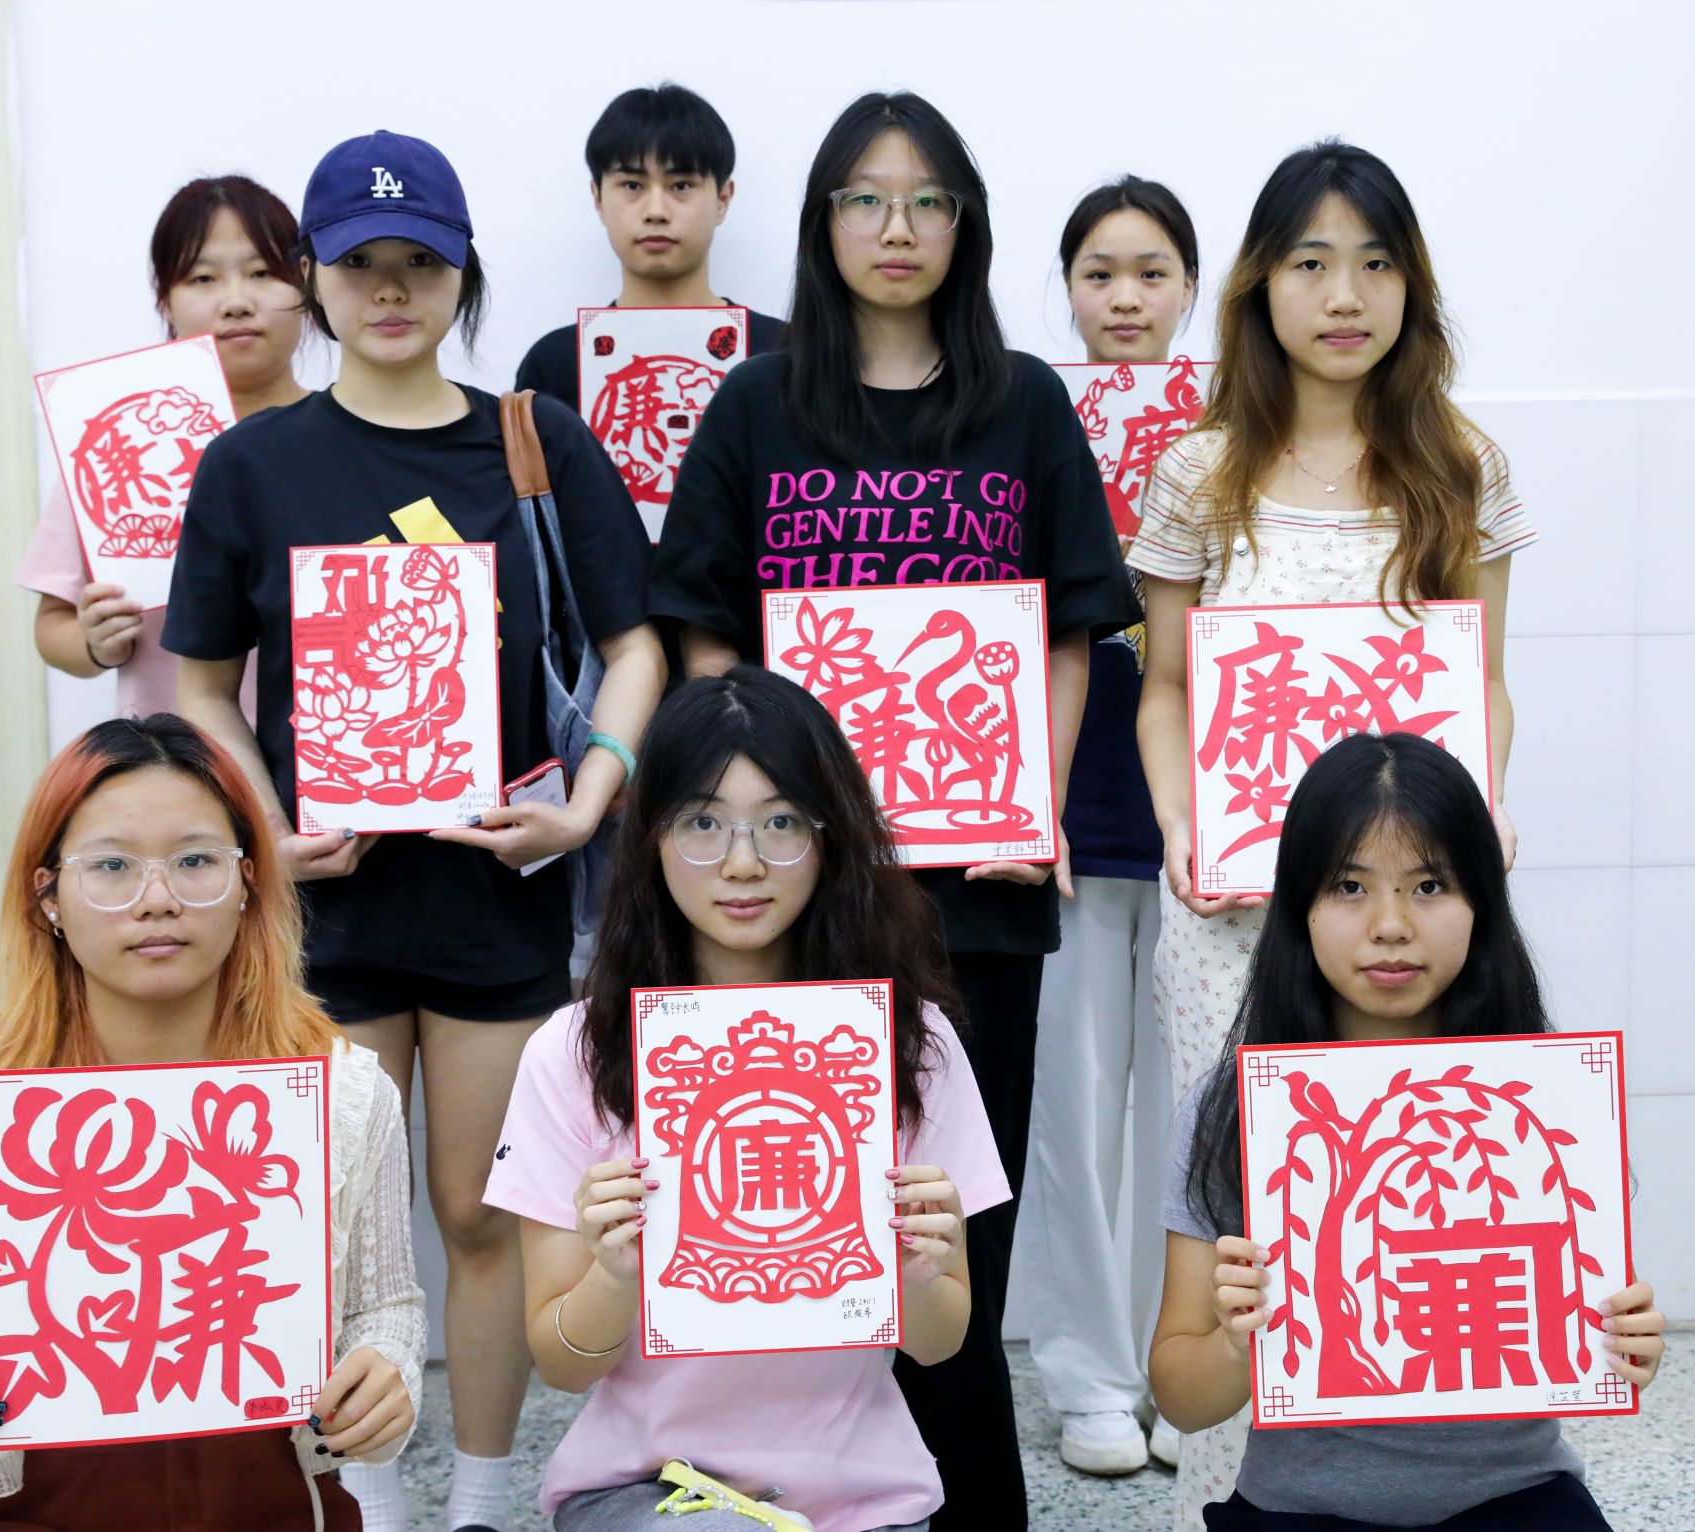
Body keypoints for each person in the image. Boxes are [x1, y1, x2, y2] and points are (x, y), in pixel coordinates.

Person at [165, 130, 665, 1532]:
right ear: (315, 280)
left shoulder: (533, 439)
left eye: (421, 264)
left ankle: (486, 1494)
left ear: (461, 275)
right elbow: (202, 687)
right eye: (360, 265)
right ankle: (371, 1492)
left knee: (478, 1211)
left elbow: (634, 645)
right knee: (337, 1219)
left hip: (495, 893)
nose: (390, 290)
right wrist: (264, 831)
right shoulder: (253, 463)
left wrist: (588, 801)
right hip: (322, 902)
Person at [650, 91, 1136, 1529]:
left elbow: (1065, 632)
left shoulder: (1023, 403)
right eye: (864, 198)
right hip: (789, 892)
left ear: (964, 224)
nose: (897, 227)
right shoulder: (757, 405)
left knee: (951, 1242)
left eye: (927, 199)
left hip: (977, 892)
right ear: (822, 224)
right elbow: (705, 636)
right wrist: (753, 822)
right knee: (800, 1226)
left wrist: (1034, 803)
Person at [1129, 140, 1537, 1527]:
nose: (1344, 294)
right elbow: (1165, 686)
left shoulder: (1459, 464)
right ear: (1261, 285)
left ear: (1411, 286)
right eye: (1310, 261)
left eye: (1374, 263)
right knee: (1246, 1207)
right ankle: (1242, 1483)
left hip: (1407, 901)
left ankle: (1420, 1457)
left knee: (1409, 1168)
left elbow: (1483, 677)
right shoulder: (1197, 472)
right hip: (1236, 909)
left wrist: (1487, 804)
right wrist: (1181, 820)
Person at [0, 714, 424, 1532]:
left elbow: (387, 1308)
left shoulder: (345, 1094)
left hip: (271, 1508)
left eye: (195, 861)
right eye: (111, 866)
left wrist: (389, 1373)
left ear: (247, 881)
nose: (157, 900)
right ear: (47, 896)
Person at [483, 667, 1008, 1532]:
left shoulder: (909, 1041)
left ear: (831, 835)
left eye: (781, 822)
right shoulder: (573, 1052)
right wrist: (613, 1276)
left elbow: (939, 1341)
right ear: (651, 837)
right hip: (647, 1489)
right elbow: (564, 1365)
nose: (742, 863)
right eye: (702, 822)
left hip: (864, 1497)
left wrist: (918, 1272)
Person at [1150, 731, 1666, 1529]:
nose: (1390, 924)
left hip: (1516, 1496)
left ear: (1480, 903)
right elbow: (1180, 1398)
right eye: (1349, 886)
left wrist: (1630, 1341)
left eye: (1429, 886)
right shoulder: (1233, 1110)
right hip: (1299, 1508)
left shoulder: (1550, 1103)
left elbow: (1592, 1327)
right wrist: (1232, 1346)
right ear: (1299, 906)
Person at [1013, 173, 1200, 1479]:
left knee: (1191, 1109)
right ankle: (1086, 1374)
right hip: (1064, 809)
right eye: (1099, 274)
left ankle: (1183, 1364)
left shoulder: (1238, 430)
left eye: (1151, 273)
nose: (1125, 298)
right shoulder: (1025, 422)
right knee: (1071, 1114)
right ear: (1066, 289)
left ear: (1191, 287)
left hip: (1201, 817)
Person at [18, 175, 308, 719]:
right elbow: (52, 625)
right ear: (164, 299)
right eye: (203, 278)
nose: (236, 301)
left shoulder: (346, 435)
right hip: (173, 756)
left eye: (263, 273)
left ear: (307, 288)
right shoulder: (111, 448)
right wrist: (94, 642)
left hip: (320, 756)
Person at [513, 82, 785, 412]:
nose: (656, 211)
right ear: (598, 198)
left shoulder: (786, 352)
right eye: (632, 185)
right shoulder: (553, 364)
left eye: (681, 185)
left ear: (723, 199)